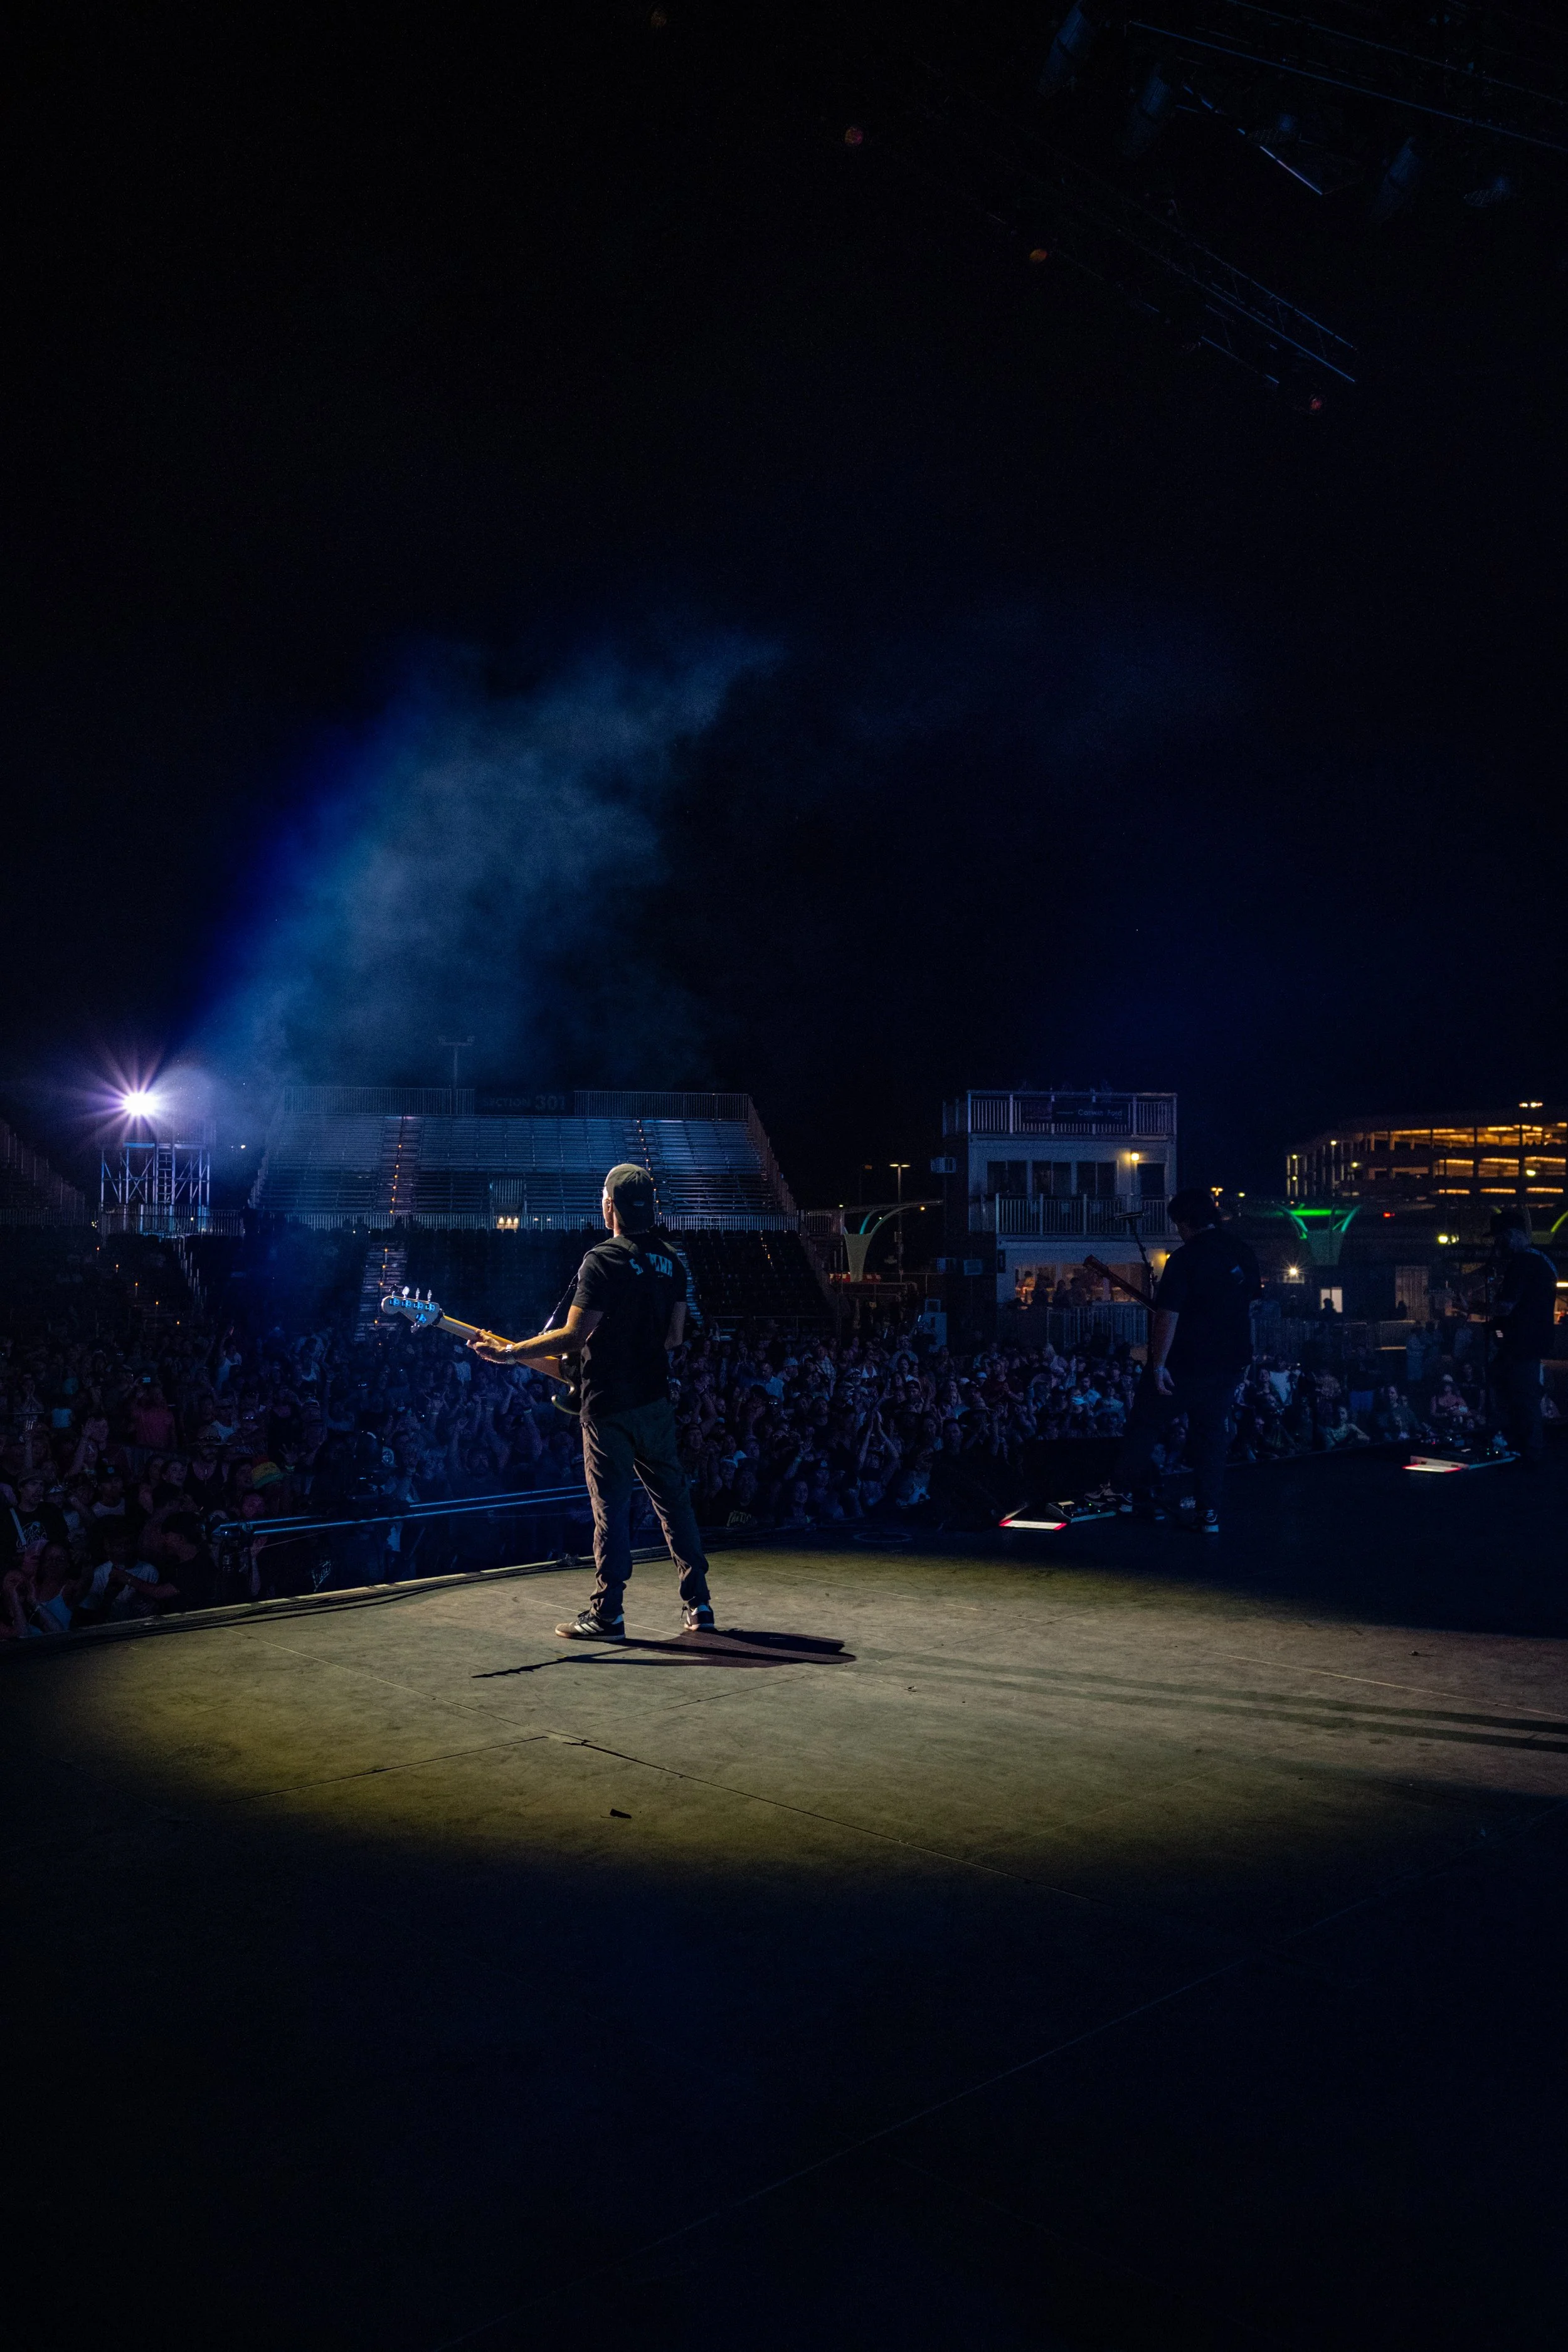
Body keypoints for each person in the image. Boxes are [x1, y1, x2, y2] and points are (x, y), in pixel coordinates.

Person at [471, 1163, 714, 1640]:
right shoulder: (673, 1262)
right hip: (654, 1400)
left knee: (611, 1510)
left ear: (610, 1206)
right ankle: (698, 1605)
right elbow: (674, 1337)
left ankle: (608, 1615)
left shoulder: (601, 1259)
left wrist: (510, 1352)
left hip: (608, 1405)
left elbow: (575, 1334)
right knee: (674, 1505)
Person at [1117, 1186, 1262, 1534]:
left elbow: (1168, 1315)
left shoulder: (1185, 1259)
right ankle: (1209, 1513)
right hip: (1230, 1362)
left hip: (1187, 1360)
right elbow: (1252, 1302)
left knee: (1146, 1423)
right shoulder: (1241, 1250)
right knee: (1212, 1435)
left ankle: (1119, 1493)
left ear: (1183, 1223)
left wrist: (1158, 1364)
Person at [1489, 1210, 1557, 1467]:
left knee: (1519, 1394)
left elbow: (1506, 1306)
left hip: (1521, 1342)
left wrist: (1472, 1307)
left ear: (1510, 1237)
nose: (1497, 1245)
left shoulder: (1522, 1263)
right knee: (1520, 1392)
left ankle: (1525, 1450)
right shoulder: (1543, 1259)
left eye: (1499, 1239)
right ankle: (1524, 1447)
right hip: (1534, 1340)